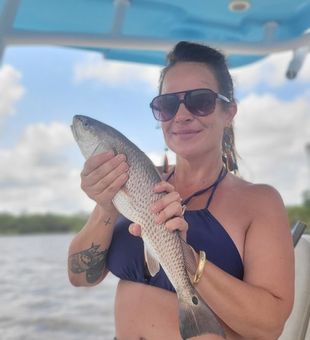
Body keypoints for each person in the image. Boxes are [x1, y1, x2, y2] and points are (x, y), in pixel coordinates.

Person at [67, 41, 294, 339]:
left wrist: (185, 257)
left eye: (200, 100)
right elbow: (81, 277)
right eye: (168, 105)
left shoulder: (260, 201)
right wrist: (106, 206)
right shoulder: (137, 183)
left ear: (229, 112)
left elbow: (269, 327)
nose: (182, 115)